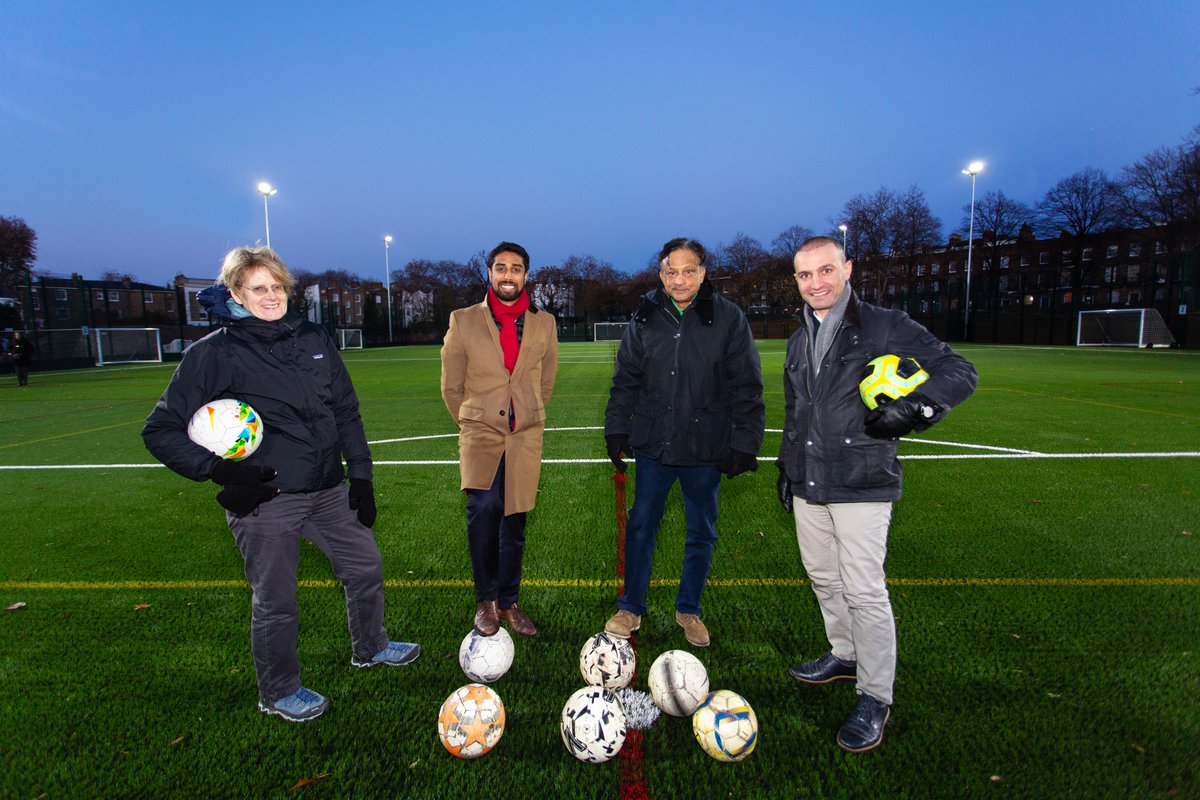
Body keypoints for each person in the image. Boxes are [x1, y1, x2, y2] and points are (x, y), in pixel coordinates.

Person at [142, 246, 419, 723]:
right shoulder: (213, 354)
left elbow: (345, 410)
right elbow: (159, 430)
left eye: (277, 286)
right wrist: (220, 470)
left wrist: (362, 475)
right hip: (267, 499)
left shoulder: (313, 336)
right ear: (235, 294)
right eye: (258, 288)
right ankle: (277, 691)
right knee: (276, 600)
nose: (271, 296)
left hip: (329, 489)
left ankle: (370, 647)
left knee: (366, 567)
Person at [778, 236, 977, 752]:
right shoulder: (799, 338)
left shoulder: (885, 324)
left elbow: (959, 369)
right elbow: (795, 409)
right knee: (823, 576)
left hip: (862, 479)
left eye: (825, 271)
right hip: (810, 480)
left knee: (864, 590)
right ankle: (844, 655)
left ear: (847, 269)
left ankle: (875, 695)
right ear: (796, 280)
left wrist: (918, 408)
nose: (816, 283)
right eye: (805, 275)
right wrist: (787, 465)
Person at [603, 237, 765, 648]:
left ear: (703, 273)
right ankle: (630, 608)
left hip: (704, 445)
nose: (679, 279)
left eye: (688, 270)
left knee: (701, 530)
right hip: (655, 442)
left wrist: (745, 441)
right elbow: (626, 380)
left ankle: (688, 609)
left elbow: (746, 384)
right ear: (660, 275)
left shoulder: (729, 318)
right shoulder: (644, 315)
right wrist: (616, 428)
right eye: (671, 272)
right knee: (641, 525)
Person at [441, 242, 558, 638]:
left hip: (524, 435)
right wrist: (471, 420)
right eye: (501, 267)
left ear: (526, 275)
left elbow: (546, 380)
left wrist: (526, 411)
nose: (508, 275)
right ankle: (485, 600)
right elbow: (451, 386)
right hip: (480, 432)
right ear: (489, 272)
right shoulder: (464, 320)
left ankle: (509, 602)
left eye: (517, 268)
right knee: (485, 510)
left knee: (515, 521)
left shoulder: (544, 323)